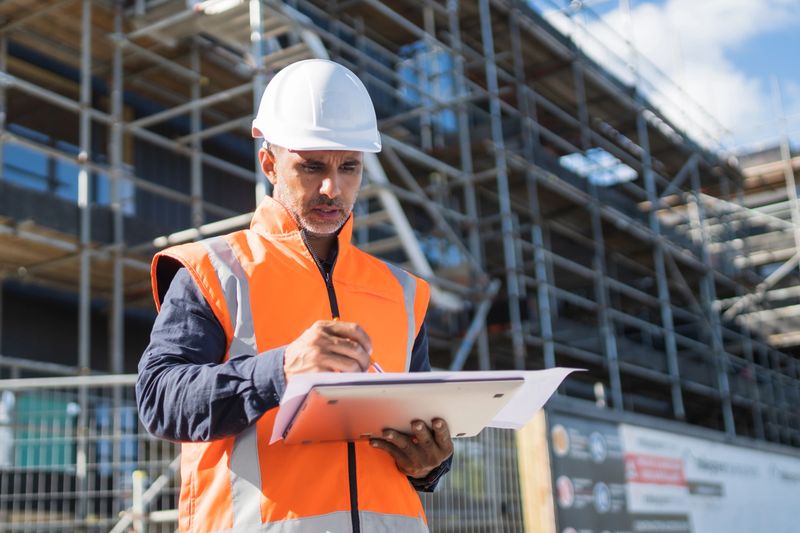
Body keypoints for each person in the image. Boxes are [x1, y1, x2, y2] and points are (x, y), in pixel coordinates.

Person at [136, 59, 453, 533]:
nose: (333, 188)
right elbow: (160, 400)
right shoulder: (214, 270)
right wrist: (281, 370)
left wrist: (431, 464)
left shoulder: (403, 292)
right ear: (269, 163)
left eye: (349, 167)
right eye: (311, 166)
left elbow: (414, 429)